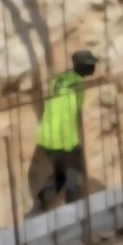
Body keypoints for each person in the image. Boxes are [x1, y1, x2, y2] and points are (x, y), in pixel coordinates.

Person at [29, 50, 98, 213]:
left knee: (60, 175)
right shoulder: (78, 86)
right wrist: (75, 142)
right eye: (91, 65)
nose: (93, 68)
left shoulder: (58, 80)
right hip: (64, 139)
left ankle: (40, 205)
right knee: (76, 177)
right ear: (83, 67)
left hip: (47, 137)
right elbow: (76, 114)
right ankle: (75, 213)